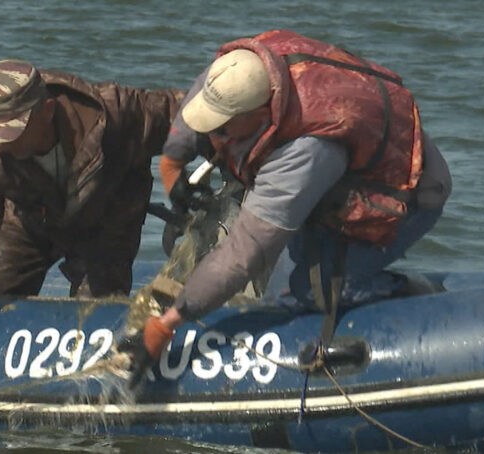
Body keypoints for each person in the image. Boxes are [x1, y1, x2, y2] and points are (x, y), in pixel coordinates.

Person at [122, 30, 452, 385]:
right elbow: (203, 97)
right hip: (331, 184)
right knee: (277, 284)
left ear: (261, 112)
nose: (216, 130)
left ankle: (403, 291)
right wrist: (171, 166)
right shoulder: (242, 70)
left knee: (301, 295)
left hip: (404, 191)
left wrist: (167, 324)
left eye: (224, 123)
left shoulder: (306, 151)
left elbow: (243, 254)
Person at [0, 59, 184, 417]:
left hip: (106, 226)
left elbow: (196, 115)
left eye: (14, 131)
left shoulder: (118, 112)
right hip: (32, 223)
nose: (4, 143)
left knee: (97, 315)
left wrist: (194, 173)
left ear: (47, 110)